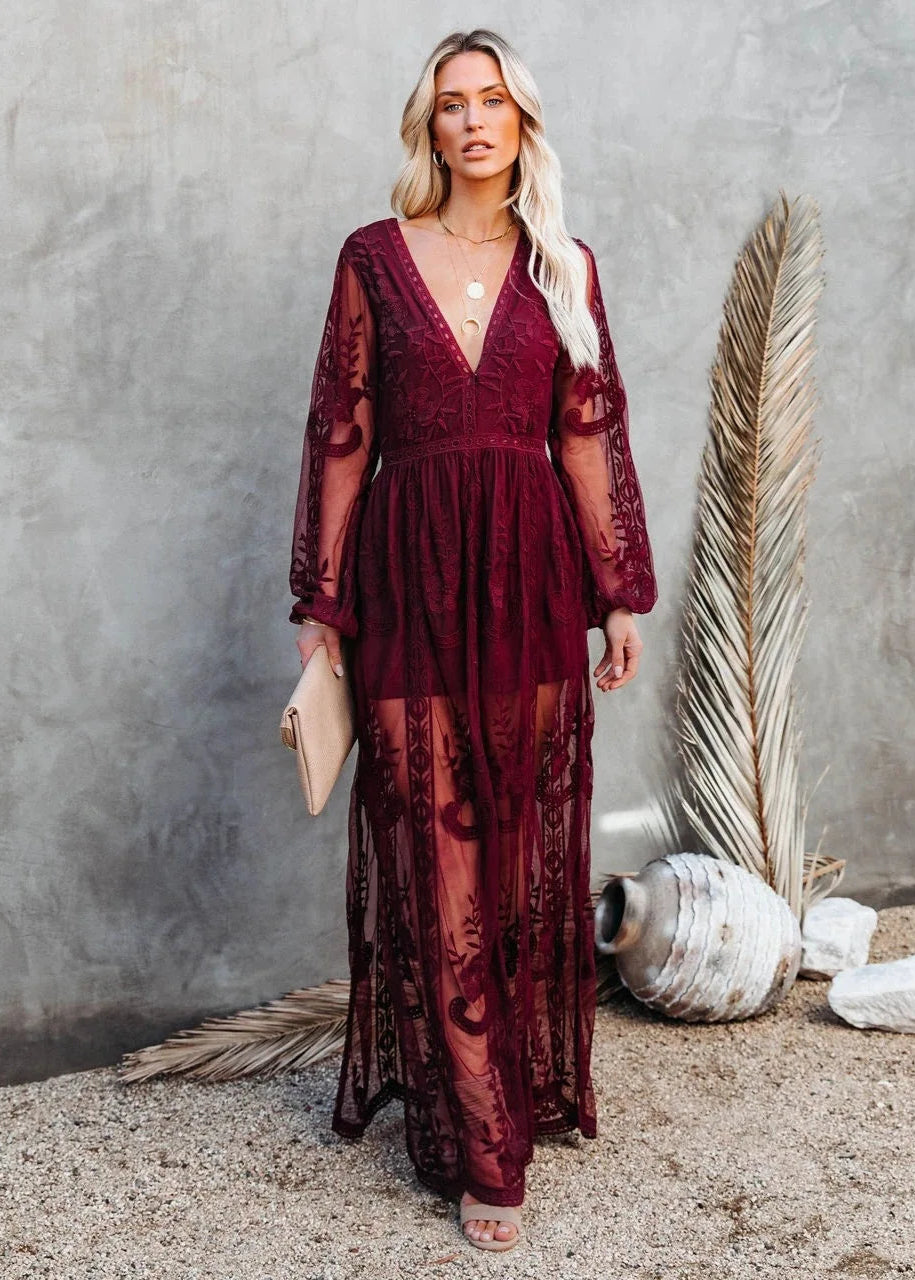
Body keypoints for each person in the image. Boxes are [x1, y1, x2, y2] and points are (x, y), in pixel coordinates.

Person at [288, 27, 658, 1253]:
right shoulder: (372, 258)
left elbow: (589, 433)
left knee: (512, 865)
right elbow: (341, 433)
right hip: (405, 584)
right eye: (452, 103)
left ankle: (488, 1095)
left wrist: (618, 592)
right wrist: (321, 608)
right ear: (429, 128)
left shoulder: (565, 265)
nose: (474, 120)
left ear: (521, 123)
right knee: (434, 855)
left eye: (493, 100)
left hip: (533, 584)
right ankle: (485, 1143)